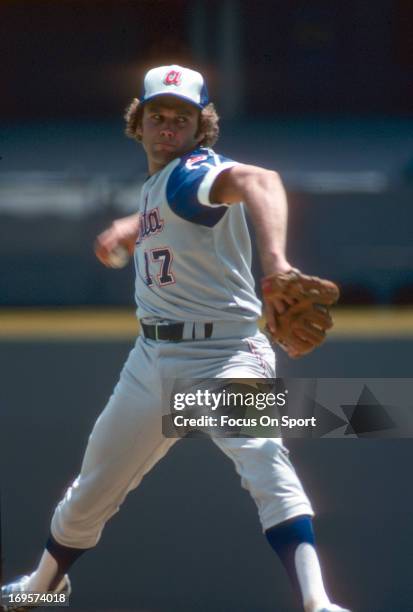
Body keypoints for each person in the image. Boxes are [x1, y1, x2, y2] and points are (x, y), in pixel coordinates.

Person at [1, 65, 350, 612]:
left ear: (201, 127)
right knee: (92, 488)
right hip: (150, 360)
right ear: (137, 123)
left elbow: (260, 181)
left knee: (266, 464)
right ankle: (43, 587)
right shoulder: (162, 187)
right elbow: (171, 213)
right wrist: (131, 227)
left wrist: (277, 261)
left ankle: (317, 602)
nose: (167, 126)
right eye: (156, 115)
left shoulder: (196, 171)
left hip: (223, 355)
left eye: (181, 118)